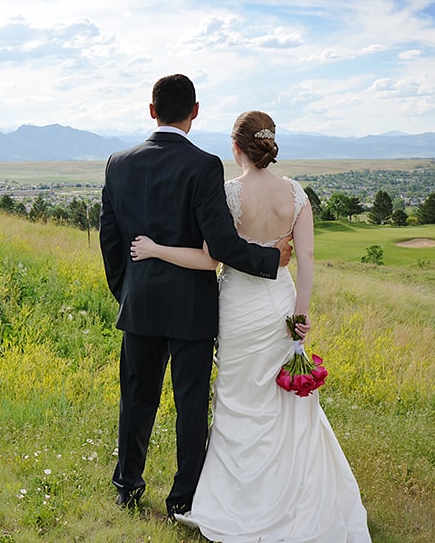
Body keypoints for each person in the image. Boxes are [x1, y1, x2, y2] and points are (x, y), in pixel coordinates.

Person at [129, 111, 371, 541]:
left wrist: (154, 249)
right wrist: (300, 314)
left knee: (238, 399)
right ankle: (292, 491)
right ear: (269, 144)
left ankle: (234, 497)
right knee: (282, 404)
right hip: (279, 303)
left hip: (238, 307)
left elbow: (209, 259)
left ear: (235, 147)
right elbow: (307, 259)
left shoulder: (227, 194)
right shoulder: (296, 194)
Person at [99, 75, 291, 519]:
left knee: (137, 399)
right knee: (190, 406)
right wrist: (270, 260)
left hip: (141, 303)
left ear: (152, 110)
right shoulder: (205, 166)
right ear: (196, 111)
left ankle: (127, 487)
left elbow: (110, 240)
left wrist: (125, 290)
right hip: (191, 308)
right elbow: (221, 245)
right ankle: (183, 498)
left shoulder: (117, 163)